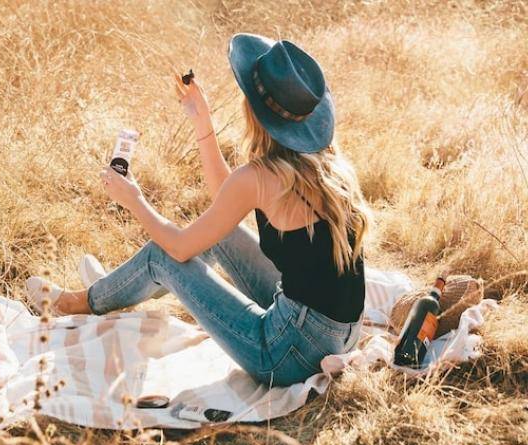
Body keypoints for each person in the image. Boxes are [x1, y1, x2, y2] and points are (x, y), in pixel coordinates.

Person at [26, 33, 370, 387]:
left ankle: (77, 303)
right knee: (223, 234)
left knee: (162, 256)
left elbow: (179, 248)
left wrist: (134, 200)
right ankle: (113, 289)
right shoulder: (325, 162)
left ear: (252, 109)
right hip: (338, 335)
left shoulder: (262, 175)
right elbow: (227, 199)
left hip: (287, 354)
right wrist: (201, 120)